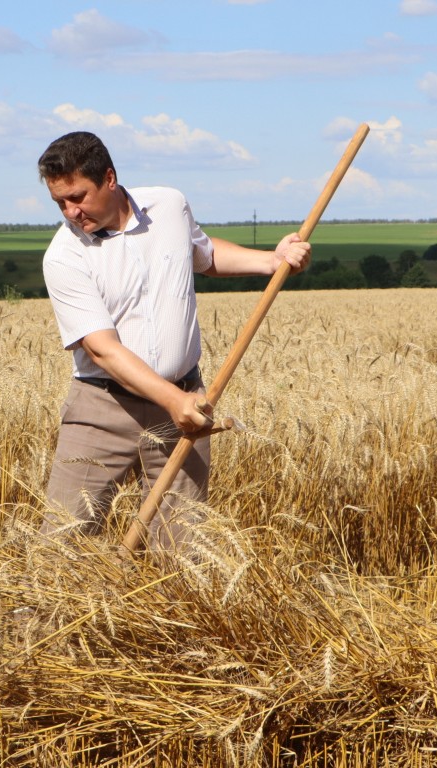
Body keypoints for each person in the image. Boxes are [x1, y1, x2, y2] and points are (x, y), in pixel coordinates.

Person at [37, 130, 310, 551]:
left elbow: (205, 255)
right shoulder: (64, 256)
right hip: (102, 408)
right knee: (62, 543)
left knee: (183, 547)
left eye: (78, 197)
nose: (70, 211)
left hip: (186, 399)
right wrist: (173, 401)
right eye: (60, 202)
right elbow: (101, 350)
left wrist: (271, 261)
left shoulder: (168, 205)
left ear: (109, 178)